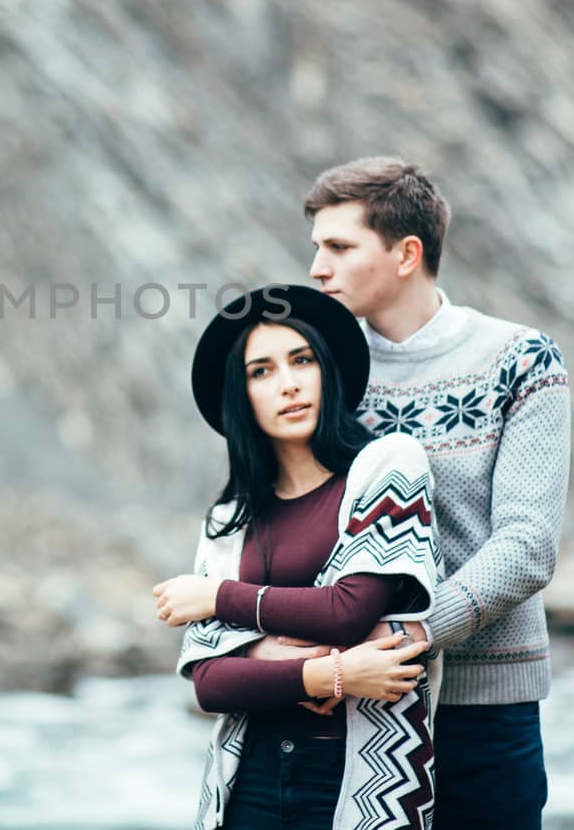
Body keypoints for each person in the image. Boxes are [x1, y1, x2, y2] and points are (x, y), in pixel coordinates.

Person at [246, 157, 571, 830]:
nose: (317, 268)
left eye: (338, 247)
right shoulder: (319, 372)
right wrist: (277, 651)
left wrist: (409, 636)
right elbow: (282, 514)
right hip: (354, 706)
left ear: (405, 253)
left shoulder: (520, 359)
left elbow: (528, 545)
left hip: (485, 710)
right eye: (316, 248)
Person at [153, 284, 441, 830]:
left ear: (325, 370)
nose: (287, 384)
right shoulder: (229, 519)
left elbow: (349, 611)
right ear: (242, 395)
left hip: (367, 779)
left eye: (301, 360)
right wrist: (333, 673)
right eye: (261, 371)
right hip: (248, 780)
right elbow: (211, 682)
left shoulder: (386, 467)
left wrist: (220, 601)